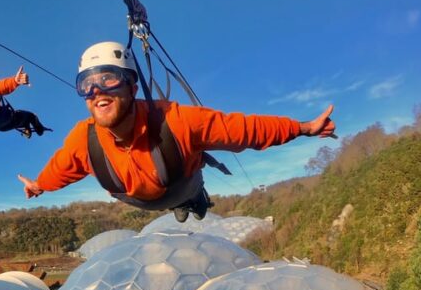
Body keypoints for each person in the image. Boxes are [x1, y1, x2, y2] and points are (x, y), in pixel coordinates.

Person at [17, 41, 336, 221]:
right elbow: (61, 167)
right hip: (139, 200)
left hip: (182, 184)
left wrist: (303, 128)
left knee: (186, 187)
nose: (97, 91)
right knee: (160, 188)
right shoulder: (84, 140)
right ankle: (183, 203)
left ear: (132, 86)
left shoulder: (176, 120)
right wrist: (39, 185)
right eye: (86, 85)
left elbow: (243, 129)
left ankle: (194, 200)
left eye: (108, 79)